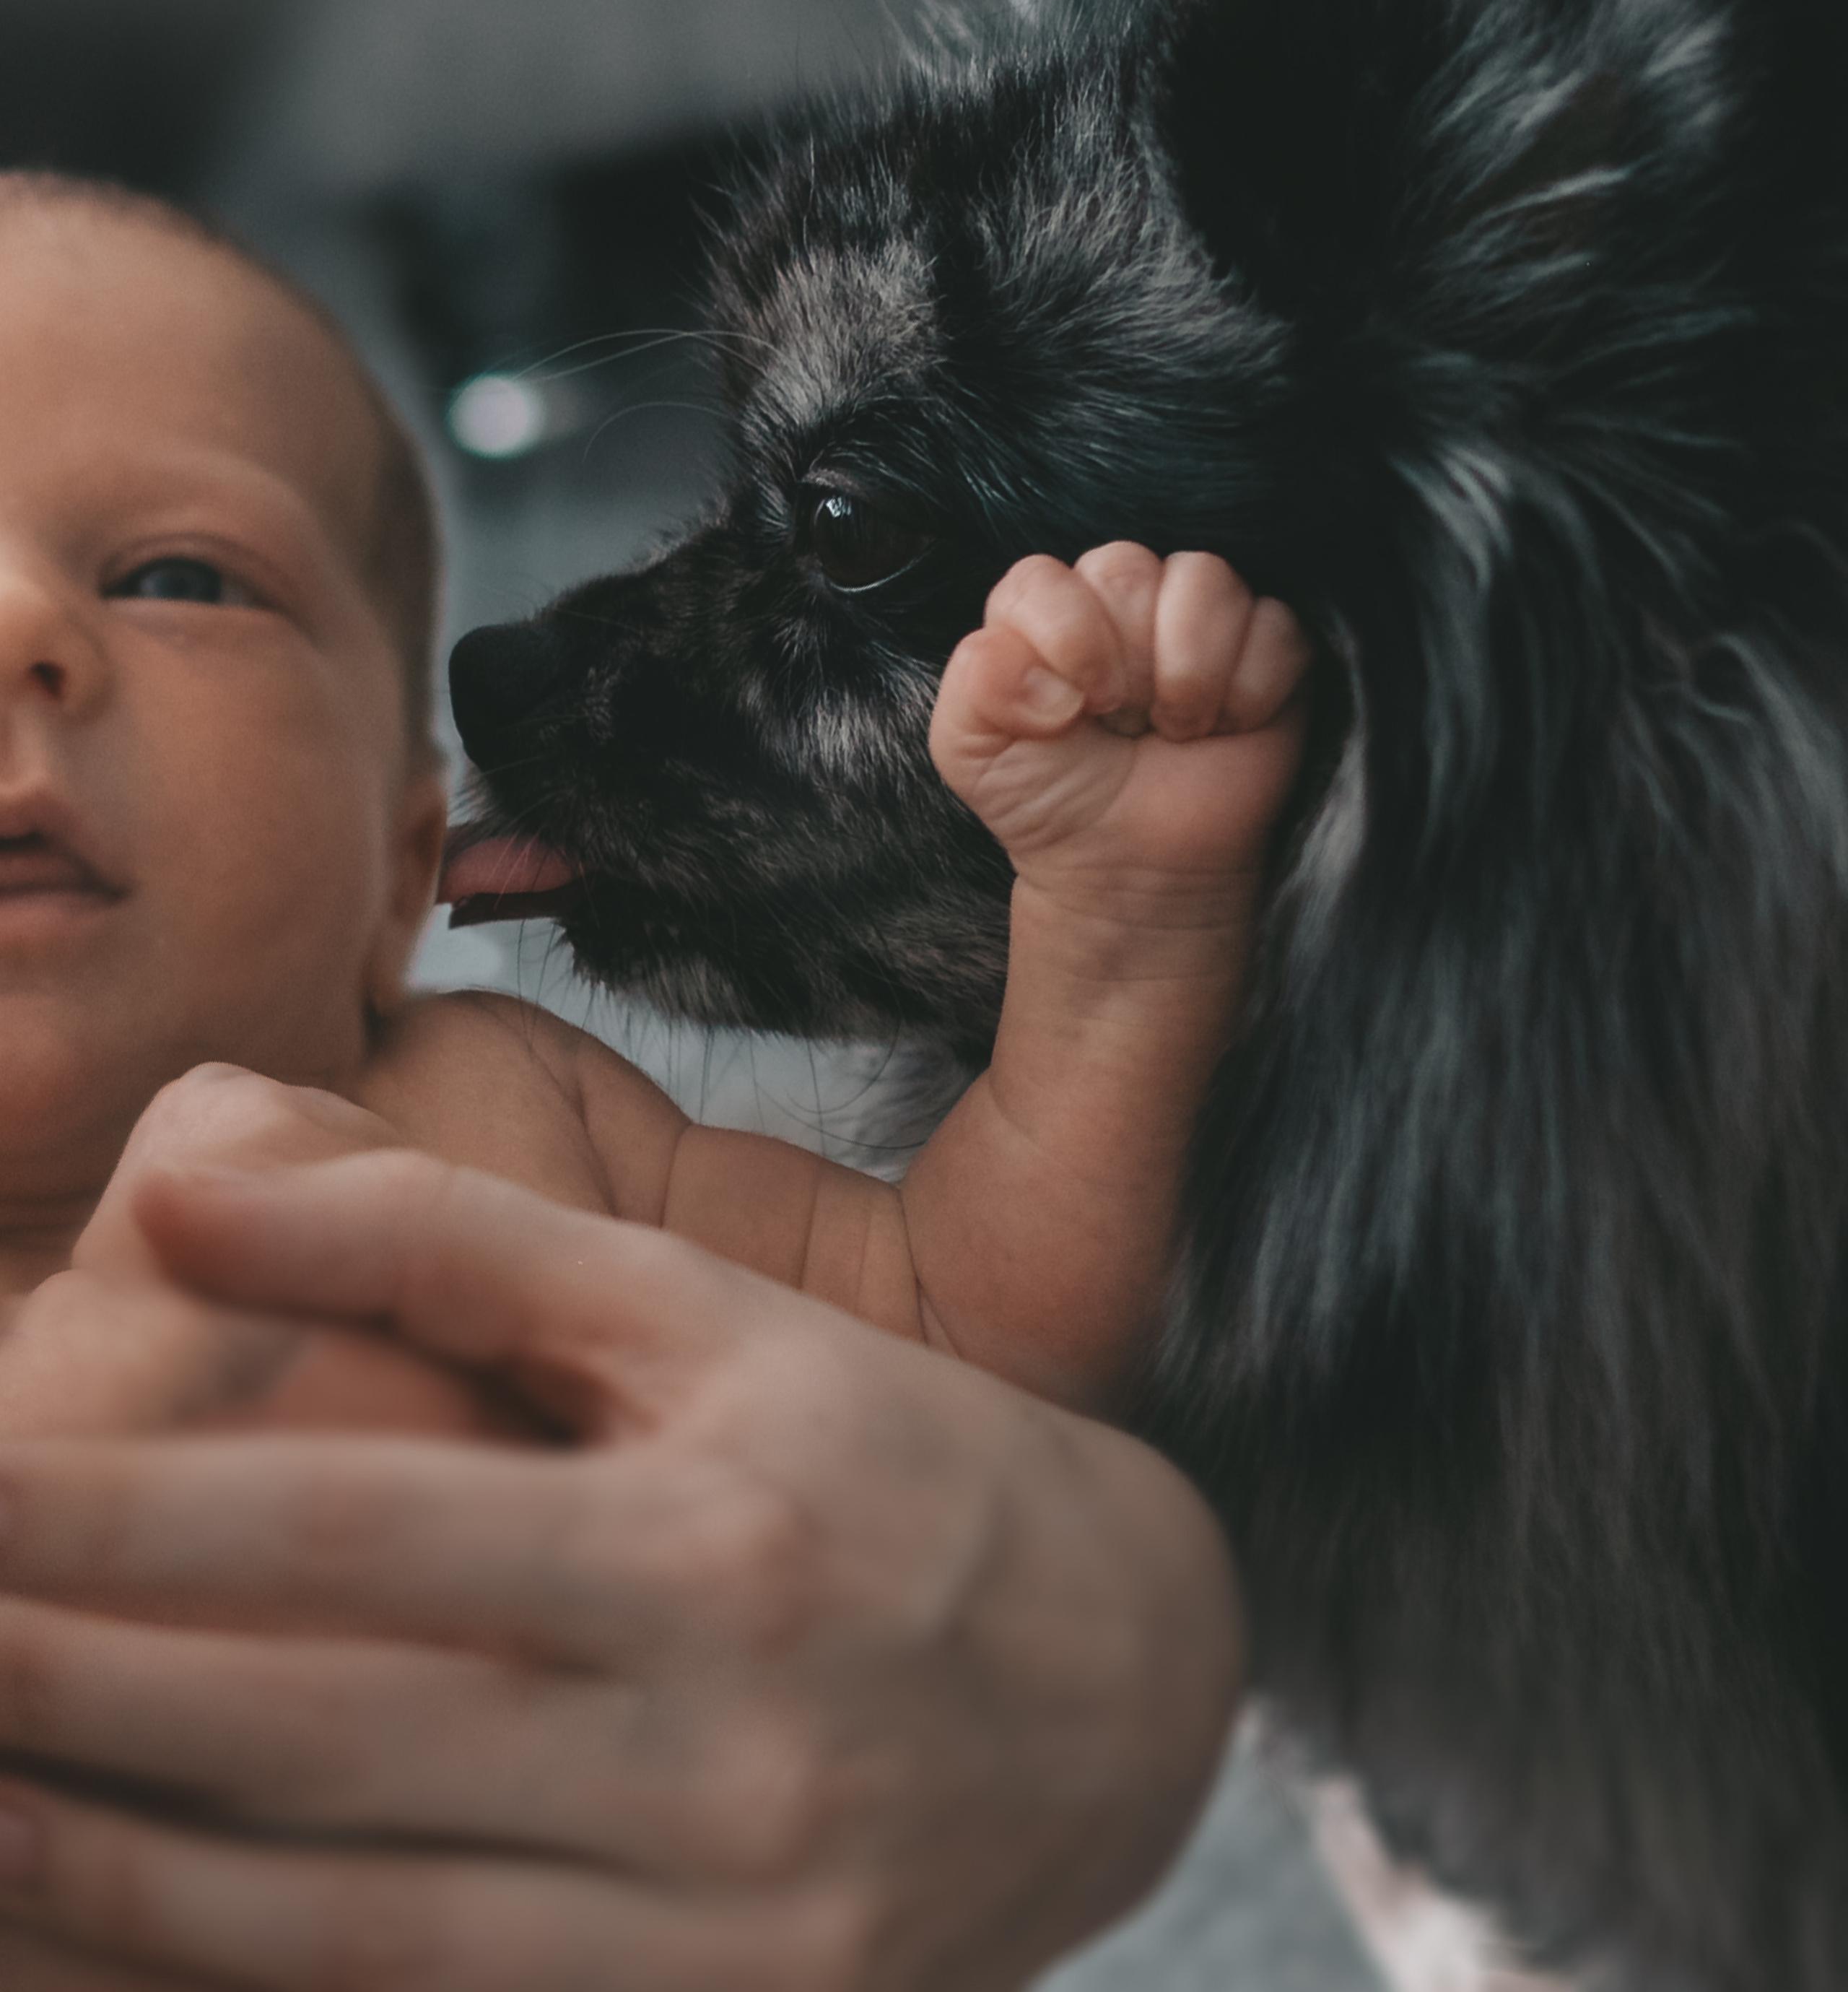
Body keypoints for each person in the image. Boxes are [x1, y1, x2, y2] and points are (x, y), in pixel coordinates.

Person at [0, 165, 1304, 1981]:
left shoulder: (503, 1112)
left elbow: (976, 1330)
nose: (18, 626)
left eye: (177, 578)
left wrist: (1120, 923)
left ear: (402, 866)